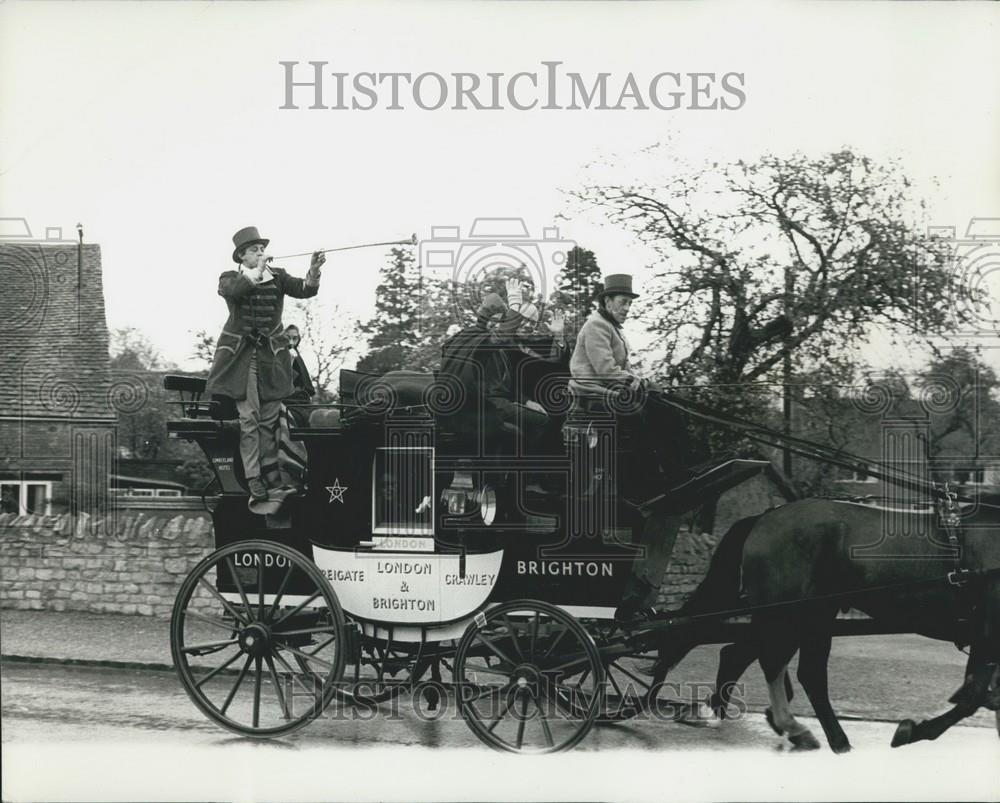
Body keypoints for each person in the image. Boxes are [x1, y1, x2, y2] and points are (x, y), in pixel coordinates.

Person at [569, 273, 691, 624]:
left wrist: (639, 380)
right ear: (607, 301)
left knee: (666, 409)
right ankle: (659, 476)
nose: (627, 309)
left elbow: (617, 369)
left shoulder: (610, 328)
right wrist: (636, 381)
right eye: (623, 303)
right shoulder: (596, 327)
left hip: (608, 395)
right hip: (592, 400)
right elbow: (606, 370)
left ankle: (670, 471)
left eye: (629, 304)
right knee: (653, 415)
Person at [205, 226, 326, 503]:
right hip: (241, 358)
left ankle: (273, 478)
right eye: (254, 250)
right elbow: (235, 292)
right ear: (242, 256)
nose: (260, 253)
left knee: (270, 420)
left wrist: (314, 269)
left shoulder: (279, 276)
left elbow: (306, 290)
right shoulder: (229, 278)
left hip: (272, 357)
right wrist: (258, 270)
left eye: (262, 249)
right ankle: (253, 478)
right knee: (249, 418)